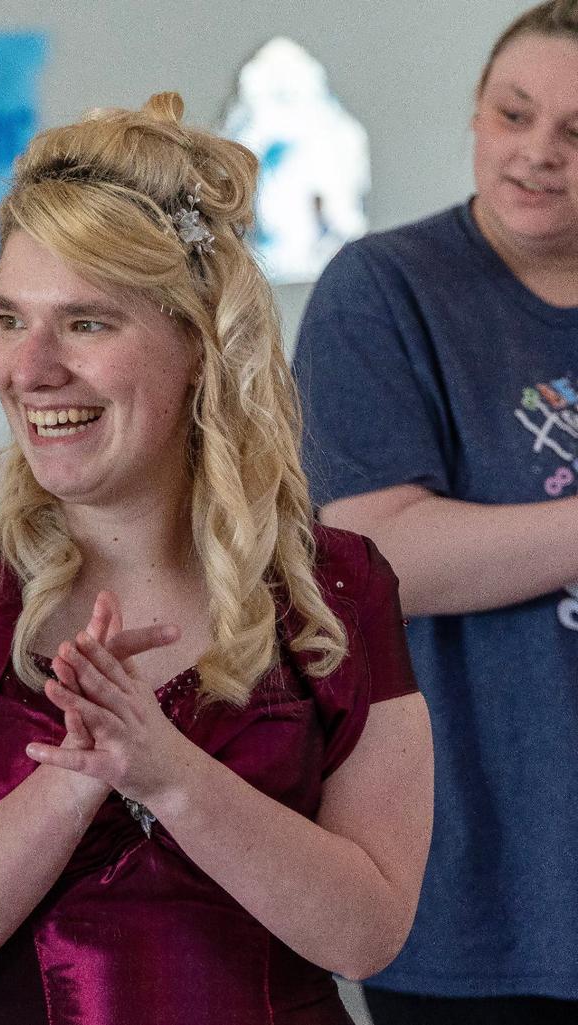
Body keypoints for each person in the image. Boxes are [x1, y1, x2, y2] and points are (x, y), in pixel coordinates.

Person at [0, 92, 434, 1025]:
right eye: (8, 318)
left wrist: (168, 772)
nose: (28, 368)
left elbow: (368, 933)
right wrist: (77, 777)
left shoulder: (337, 585)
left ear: (196, 342)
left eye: (85, 322)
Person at [292, 4, 578, 1023]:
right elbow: (375, 554)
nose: (537, 153)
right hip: (481, 891)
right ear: (475, 115)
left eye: (577, 133)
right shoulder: (385, 291)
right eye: (514, 114)